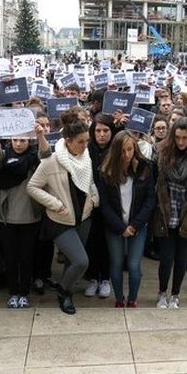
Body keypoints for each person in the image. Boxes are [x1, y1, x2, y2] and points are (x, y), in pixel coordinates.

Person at [27, 116, 99, 315]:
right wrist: (55, 204)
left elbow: (89, 182)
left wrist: (94, 198)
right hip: (60, 220)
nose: (85, 146)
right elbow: (32, 187)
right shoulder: (51, 161)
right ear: (68, 141)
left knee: (71, 262)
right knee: (81, 261)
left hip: (83, 217)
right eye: (80, 142)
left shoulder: (86, 158)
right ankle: (63, 292)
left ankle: (67, 292)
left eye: (87, 141)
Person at [0, 122, 50, 309]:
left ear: (28, 140)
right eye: (15, 139)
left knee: (26, 257)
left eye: (23, 140)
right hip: (5, 217)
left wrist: (40, 135)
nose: (18, 144)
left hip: (30, 217)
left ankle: (24, 292)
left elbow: (46, 154)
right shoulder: (5, 157)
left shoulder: (34, 158)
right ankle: (13, 292)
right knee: (10, 257)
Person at [152, 118, 187, 309]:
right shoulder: (161, 151)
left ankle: (175, 294)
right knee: (166, 258)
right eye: (177, 137)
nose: (181, 142)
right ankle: (162, 292)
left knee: (182, 257)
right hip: (166, 210)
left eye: (185, 138)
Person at [98, 131, 156, 307]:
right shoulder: (106, 171)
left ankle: (132, 298)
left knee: (133, 265)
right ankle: (118, 299)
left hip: (137, 225)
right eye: (122, 151)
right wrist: (120, 227)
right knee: (115, 263)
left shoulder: (145, 167)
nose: (127, 155)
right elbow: (104, 204)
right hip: (115, 225)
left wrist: (134, 225)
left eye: (130, 149)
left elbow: (150, 199)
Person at [84, 113, 115, 298]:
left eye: (105, 130)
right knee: (91, 241)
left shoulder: (116, 150)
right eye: (98, 130)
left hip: (110, 205)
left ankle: (105, 278)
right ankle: (93, 278)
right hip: (90, 204)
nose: (102, 134)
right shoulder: (86, 149)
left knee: (107, 243)